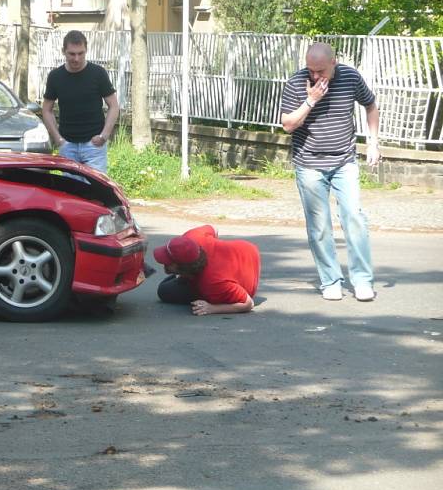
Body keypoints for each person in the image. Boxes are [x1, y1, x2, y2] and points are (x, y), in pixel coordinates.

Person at [280, 42, 380, 302]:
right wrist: (310, 100)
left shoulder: (350, 77)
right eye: (310, 70)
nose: (314, 76)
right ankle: (331, 281)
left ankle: (362, 281)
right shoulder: (296, 83)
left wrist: (373, 142)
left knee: (354, 217)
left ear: (334, 63)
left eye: (320, 71)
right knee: (320, 226)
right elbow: (288, 125)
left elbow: (370, 105)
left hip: (344, 161)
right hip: (309, 164)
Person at [41, 30, 120, 173]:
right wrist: (58, 139)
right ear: (63, 51)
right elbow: (46, 109)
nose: (76, 58)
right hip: (68, 145)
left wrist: (104, 136)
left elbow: (114, 106)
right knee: (72, 192)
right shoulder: (55, 77)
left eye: (81, 53)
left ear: (86, 51)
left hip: (94, 146)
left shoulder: (98, 73)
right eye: (72, 54)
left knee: (96, 190)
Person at [153, 225, 260, 316]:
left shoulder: (211, 283)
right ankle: (181, 276)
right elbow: (214, 228)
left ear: (184, 268)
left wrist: (213, 308)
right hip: (247, 249)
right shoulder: (191, 238)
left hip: (240, 280)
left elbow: (248, 303)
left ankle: (183, 277)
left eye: (168, 261)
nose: (163, 262)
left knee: (165, 291)